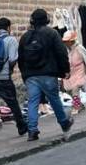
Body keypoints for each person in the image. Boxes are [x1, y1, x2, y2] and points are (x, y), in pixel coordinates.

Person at [18, 8, 73, 141]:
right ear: (46, 20)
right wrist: (65, 70)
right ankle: (64, 123)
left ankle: (32, 131)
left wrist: (25, 75)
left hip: (31, 75)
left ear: (32, 20)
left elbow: (21, 58)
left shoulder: (25, 37)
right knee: (54, 99)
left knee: (32, 102)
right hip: (48, 74)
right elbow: (61, 53)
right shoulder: (52, 33)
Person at [62, 30, 86, 114]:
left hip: (80, 70)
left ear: (72, 41)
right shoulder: (66, 50)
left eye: (67, 41)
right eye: (65, 41)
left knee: (75, 87)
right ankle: (79, 103)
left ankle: (77, 106)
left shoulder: (79, 48)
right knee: (69, 89)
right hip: (71, 72)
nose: (65, 43)